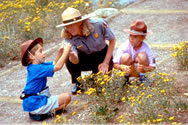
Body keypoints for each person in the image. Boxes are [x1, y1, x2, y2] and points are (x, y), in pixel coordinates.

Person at [56, 7, 116, 94]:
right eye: (66, 26)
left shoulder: (98, 24)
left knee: (101, 88)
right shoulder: (68, 37)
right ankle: (78, 83)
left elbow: (112, 40)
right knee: (67, 59)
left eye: (71, 25)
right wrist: (71, 54)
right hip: (84, 57)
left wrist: (106, 62)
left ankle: (94, 76)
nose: (69, 29)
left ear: (80, 22)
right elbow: (75, 61)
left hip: (102, 55)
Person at [20, 37, 71, 121]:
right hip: (36, 104)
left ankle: (41, 112)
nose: (44, 54)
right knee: (67, 97)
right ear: (31, 56)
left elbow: (54, 64)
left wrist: (60, 53)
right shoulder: (37, 69)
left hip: (34, 103)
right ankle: (44, 113)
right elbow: (57, 67)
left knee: (63, 103)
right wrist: (66, 51)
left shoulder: (36, 66)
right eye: (40, 51)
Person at [113, 20, 156, 86]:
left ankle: (142, 77)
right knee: (125, 56)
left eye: (135, 37)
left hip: (140, 70)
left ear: (142, 38)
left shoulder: (146, 48)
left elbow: (153, 66)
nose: (131, 39)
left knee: (142, 56)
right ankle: (125, 77)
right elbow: (114, 63)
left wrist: (145, 68)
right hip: (128, 69)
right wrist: (121, 67)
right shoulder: (124, 46)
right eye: (130, 35)